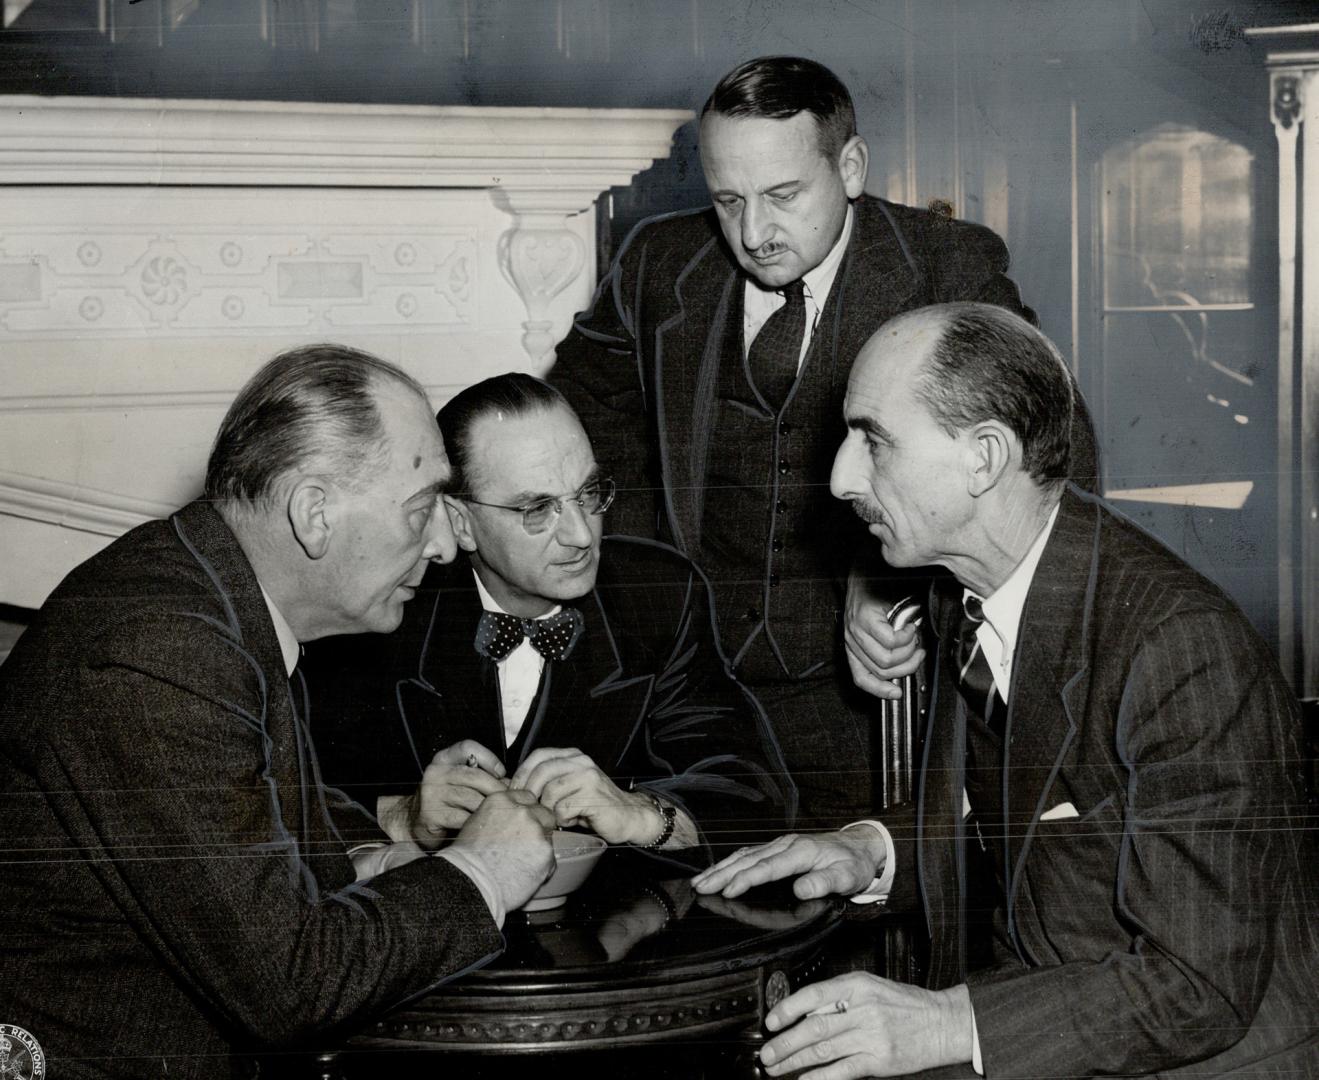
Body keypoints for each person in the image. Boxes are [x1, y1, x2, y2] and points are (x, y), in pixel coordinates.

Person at [693, 304, 1319, 1078]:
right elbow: (1033, 826)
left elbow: (1197, 987)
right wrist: (872, 849)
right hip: (1059, 1020)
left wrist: (946, 1023)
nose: (839, 477)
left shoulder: (1180, 652)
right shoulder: (965, 589)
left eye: (873, 441)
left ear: (983, 458)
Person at [550, 55, 1094, 826]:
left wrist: (895, 579)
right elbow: (575, 423)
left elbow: (1054, 460)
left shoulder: (946, 267)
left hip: (871, 705)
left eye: (782, 196)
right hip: (697, 704)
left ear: (850, 165)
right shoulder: (658, 262)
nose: (753, 232)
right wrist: (650, 590)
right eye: (727, 200)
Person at [0, 345, 557, 1080]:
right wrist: (479, 870)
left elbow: (247, 834)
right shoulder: (162, 651)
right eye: (421, 508)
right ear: (314, 513)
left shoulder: (209, 591)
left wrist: (392, 847)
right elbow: (290, 985)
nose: (446, 544)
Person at [306, 373, 794, 864]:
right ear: (460, 522)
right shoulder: (385, 609)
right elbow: (289, 802)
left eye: (588, 493)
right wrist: (405, 818)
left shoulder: (658, 595)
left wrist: (638, 814)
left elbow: (752, 790)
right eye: (538, 508)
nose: (582, 535)